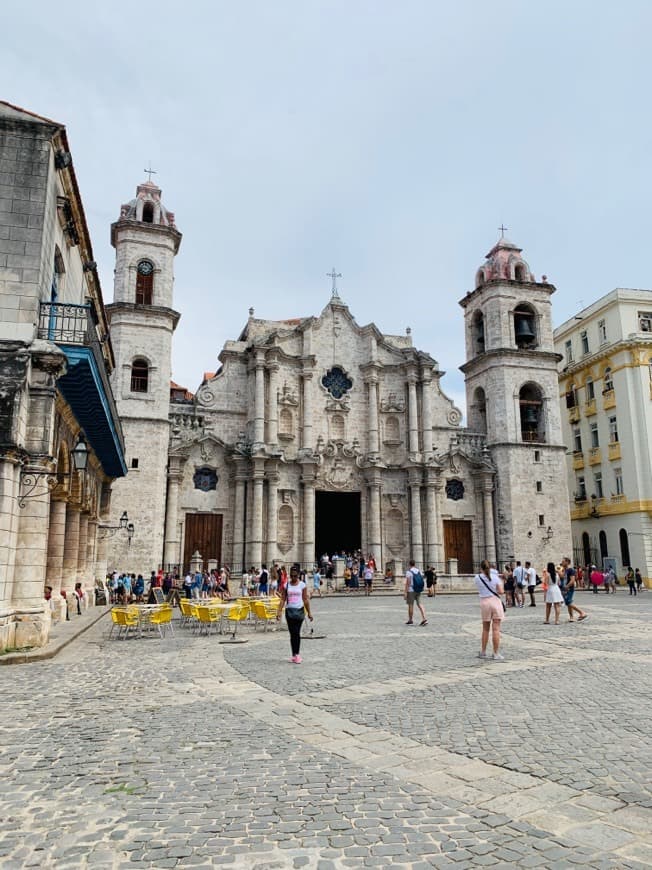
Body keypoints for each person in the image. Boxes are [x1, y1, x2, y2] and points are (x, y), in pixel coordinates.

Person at [276, 565, 313, 663]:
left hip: (300, 611)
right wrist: (279, 611)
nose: (293, 578)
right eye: (292, 576)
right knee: (292, 634)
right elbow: (283, 599)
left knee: (297, 633)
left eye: (295, 576)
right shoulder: (286, 585)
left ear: (298, 576)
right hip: (289, 611)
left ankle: (297, 654)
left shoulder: (302, 585)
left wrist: (309, 613)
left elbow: (305, 599)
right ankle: (293, 654)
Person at [474, 559, 505, 661]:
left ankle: (483, 652)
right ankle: (496, 653)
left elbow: (478, 587)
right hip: (495, 602)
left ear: (481, 568)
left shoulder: (477, 578)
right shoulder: (495, 578)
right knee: (496, 629)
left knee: (485, 629)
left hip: (484, 603)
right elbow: (501, 592)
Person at [404, 560, 427, 626]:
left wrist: (405, 592)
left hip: (411, 590)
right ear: (414, 564)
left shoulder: (409, 572)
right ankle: (424, 618)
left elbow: (408, 583)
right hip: (418, 589)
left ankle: (410, 620)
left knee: (411, 605)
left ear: (409, 564)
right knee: (420, 604)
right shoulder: (418, 571)